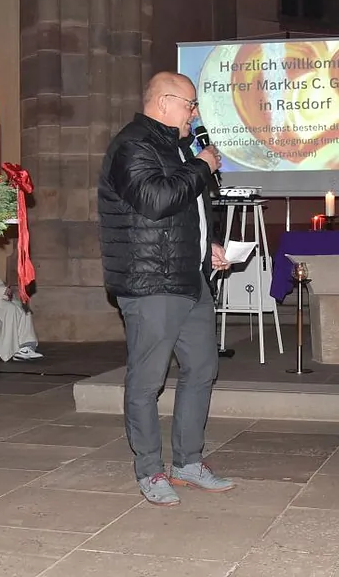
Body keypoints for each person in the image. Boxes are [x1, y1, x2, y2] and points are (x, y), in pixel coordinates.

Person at [98, 71, 235, 506]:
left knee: (202, 368)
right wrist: (202, 165)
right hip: (150, 281)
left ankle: (188, 462)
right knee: (147, 380)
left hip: (188, 276)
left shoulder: (177, 147)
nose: (194, 114)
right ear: (163, 102)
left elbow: (184, 209)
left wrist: (208, 245)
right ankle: (150, 469)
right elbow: (156, 201)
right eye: (190, 105)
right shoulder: (133, 144)